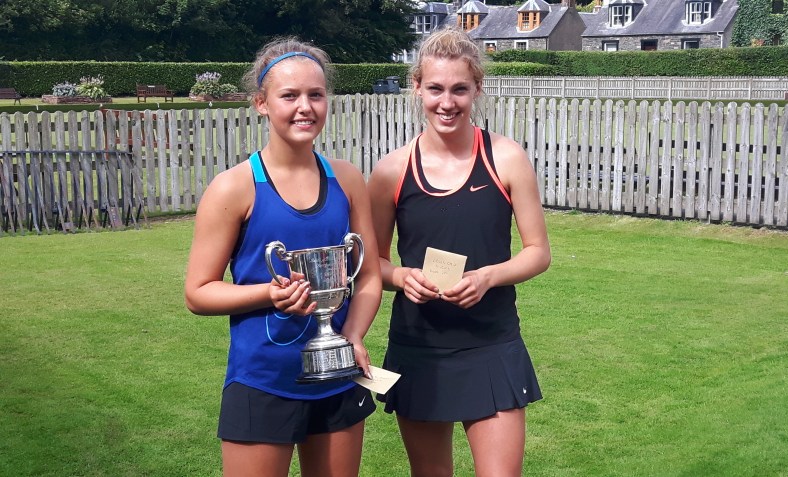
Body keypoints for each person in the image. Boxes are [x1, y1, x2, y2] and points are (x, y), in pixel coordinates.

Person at [184, 37, 382, 477]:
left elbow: (368, 276)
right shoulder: (233, 187)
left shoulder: (347, 179)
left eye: (316, 94)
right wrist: (269, 294)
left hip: (336, 378)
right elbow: (198, 293)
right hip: (262, 380)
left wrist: (352, 335)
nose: (305, 107)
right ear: (261, 103)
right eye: (289, 95)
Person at [367, 26, 552, 477]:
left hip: (491, 341)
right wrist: (401, 277)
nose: (446, 102)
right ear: (416, 87)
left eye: (459, 89)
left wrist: (488, 277)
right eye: (435, 88)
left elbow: (538, 252)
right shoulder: (392, 170)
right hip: (420, 346)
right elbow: (371, 263)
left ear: (477, 89)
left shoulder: (506, 157)